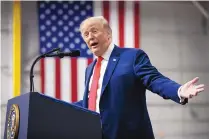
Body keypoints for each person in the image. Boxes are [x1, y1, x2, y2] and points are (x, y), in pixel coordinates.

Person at [74, 16, 205, 139]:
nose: (90, 37)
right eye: (86, 34)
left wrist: (179, 90)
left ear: (108, 34)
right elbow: (93, 101)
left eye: (94, 31)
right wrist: (58, 107)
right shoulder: (89, 69)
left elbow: (154, 79)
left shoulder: (132, 57)